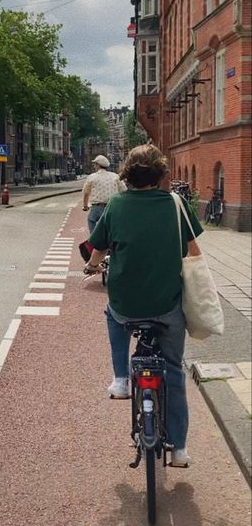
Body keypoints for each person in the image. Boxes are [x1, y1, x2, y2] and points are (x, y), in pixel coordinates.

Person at [84, 144, 203, 468]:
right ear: (161, 174)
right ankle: (179, 450)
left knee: (113, 315)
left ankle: (121, 379)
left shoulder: (117, 205)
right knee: (174, 371)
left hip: (126, 303)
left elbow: (97, 251)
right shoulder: (176, 205)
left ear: (128, 174)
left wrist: (94, 267)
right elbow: (193, 252)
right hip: (167, 305)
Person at [82, 155, 125, 233]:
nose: (94, 166)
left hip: (98, 207)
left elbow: (86, 193)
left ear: (98, 165)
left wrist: (85, 206)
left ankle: (93, 239)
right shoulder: (115, 176)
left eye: (95, 164)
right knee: (113, 224)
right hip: (112, 207)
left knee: (91, 220)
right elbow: (124, 191)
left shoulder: (92, 177)